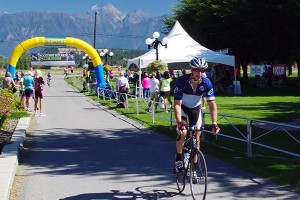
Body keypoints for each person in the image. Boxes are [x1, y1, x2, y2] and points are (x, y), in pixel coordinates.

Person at [173, 57, 220, 177]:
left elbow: (212, 105)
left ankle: (193, 168)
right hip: (183, 107)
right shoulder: (181, 81)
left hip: (195, 108)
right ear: (191, 70)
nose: (200, 73)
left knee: (196, 136)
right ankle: (178, 158)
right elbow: (177, 105)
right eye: (197, 70)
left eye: (202, 70)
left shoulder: (206, 82)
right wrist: (179, 123)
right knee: (183, 132)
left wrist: (215, 123)